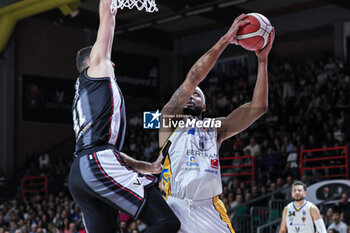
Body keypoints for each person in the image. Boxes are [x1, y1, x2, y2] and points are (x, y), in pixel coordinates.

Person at [68, 1, 180, 233]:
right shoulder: (97, 68)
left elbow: (105, 149)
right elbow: (106, 16)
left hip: (81, 172)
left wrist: (145, 166)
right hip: (96, 164)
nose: (112, 61)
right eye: (106, 56)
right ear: (92, 61)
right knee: (167, 222)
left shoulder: (85, 93)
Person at [158, 13, 275, 233]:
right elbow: (193, 76)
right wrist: (225, 39)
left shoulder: (215, 129)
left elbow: (259, 107)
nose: (193, 94)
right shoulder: (169, 119)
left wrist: (262, 60)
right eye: (190, 93)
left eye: (198, 94)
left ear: (204, 107)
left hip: (209, 208)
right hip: (175, 206)